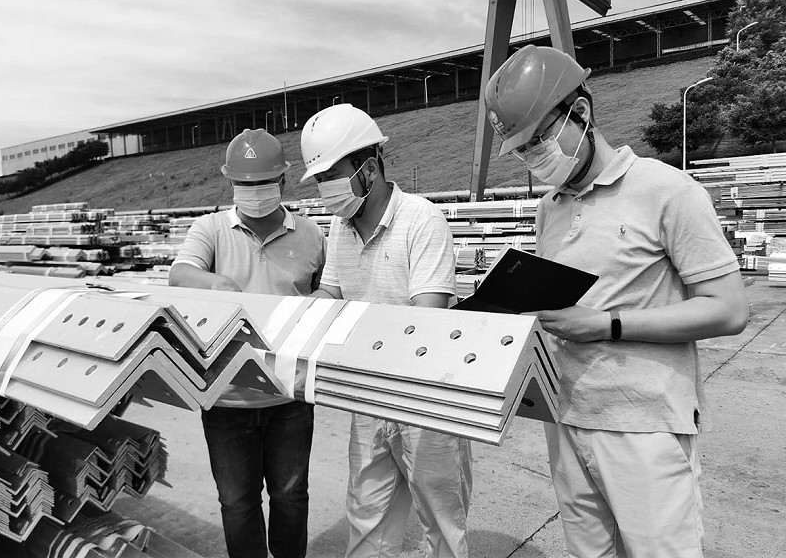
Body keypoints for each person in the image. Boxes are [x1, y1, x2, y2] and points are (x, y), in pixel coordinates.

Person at [483, 45, 748, 557]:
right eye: (521, 150)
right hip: (566, 418)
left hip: (643, 424)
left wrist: (607, 324)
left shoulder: (667, 190)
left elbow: (729, 309)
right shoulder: (549, 208)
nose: (533, 158)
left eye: (538, 140)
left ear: (580, 112)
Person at [300, 103, 472, 558]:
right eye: (319, 180)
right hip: (369, 395)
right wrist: (295, 316)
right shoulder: (340, 228)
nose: (325, 190)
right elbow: (331, 293)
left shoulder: (421, 220)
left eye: (331, 177)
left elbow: (425, 316)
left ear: (370, 169)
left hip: (425, 398)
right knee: (367, 519)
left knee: (442, 523)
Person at [169, 128, 326, 558]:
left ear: (283, 181)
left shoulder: (310, 235)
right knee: (237, 502)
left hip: (290, 395)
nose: (254, 192)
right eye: (244, 183)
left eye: (263, 183)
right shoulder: (211, 230)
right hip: (227, 396)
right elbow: (180, 275)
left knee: (291, 496)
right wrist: (214, 283)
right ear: (231, 183)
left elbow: (326, 292)